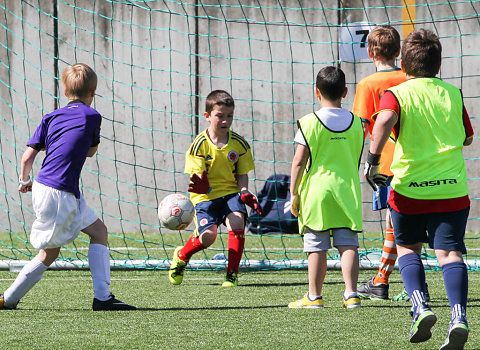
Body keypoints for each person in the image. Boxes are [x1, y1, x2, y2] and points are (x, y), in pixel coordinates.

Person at [365, 29, 473, 348]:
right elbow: (468, 137)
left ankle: (421, 307)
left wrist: (372, 162)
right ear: (438, 64)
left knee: (408, 249)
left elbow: (383, 121)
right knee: (450, 253)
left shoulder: (396, 93)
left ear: (403, 63)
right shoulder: (453, 93)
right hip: (452, 189)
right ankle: (458, 316)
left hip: (410, 187)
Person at [0, 64, 136, 311]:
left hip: (50, 188)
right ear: (93, 92)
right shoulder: (92, 116)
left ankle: (103, 298)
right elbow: (92, 152)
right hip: (59, 192)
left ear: (64, 92)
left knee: (99, 232)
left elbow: (27, 158)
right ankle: (7, 299)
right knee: (48, 255)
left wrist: (24, 181)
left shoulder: (50, 117)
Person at [168, 90, 262, 287]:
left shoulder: (239, 144)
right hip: (204, 197)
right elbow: (197, 178)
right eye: (220, 115)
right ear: (207, 116)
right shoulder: (199, 145)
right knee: (208, 237)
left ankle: (231, 275)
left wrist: (244, 191)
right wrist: (201, 181)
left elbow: (242, 173)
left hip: (229, 193)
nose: (225, 120)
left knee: (237, 224)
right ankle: (182, 255)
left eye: (229, 116)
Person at [288, 66, 364, 309]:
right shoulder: (357, 123)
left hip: (316, 192)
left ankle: (314, 297)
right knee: (348, 244)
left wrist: (293, 193)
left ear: (316, 92)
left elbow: (299, 161)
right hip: (347, 191)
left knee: (316, 245)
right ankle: (351, 294)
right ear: (345, 92)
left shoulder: (308, 122)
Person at [353, 25, 416, 302]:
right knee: (405, 219)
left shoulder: (367, 84)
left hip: (385, 161)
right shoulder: (411, 77)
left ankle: (382, 280)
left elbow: (361, 126)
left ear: (370, 52)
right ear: (399, 52)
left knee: (395, 220)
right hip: (415, 156)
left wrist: (362, 162)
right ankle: (389, 279)